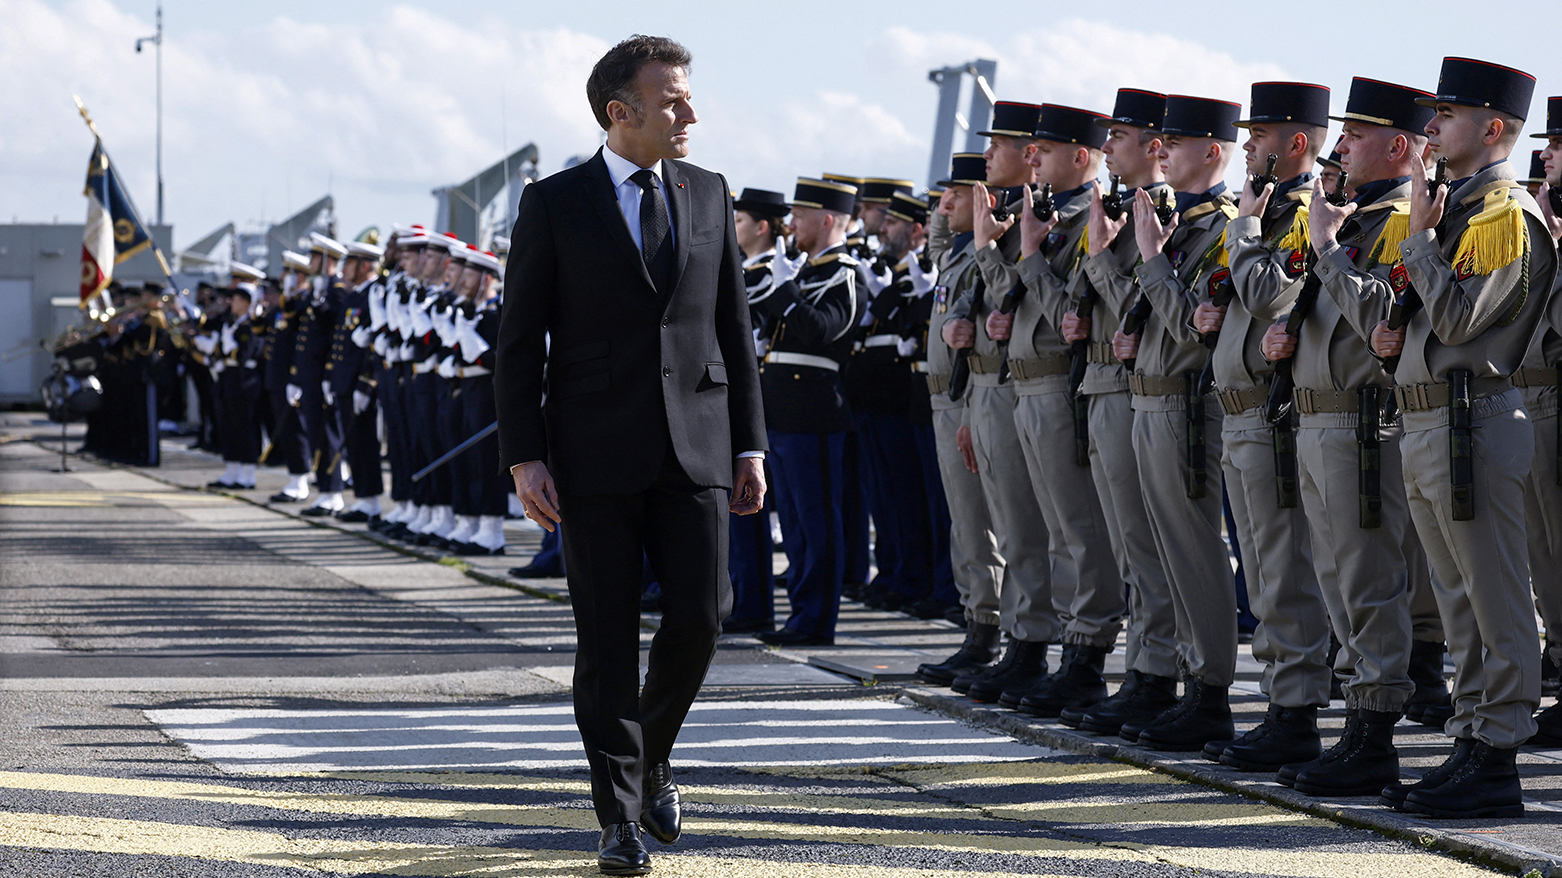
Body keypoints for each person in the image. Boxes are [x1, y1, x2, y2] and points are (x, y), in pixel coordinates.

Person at [494, 35, 766, 875]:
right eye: (673, 99)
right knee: (606, 637)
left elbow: (734, 329)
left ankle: (651, 756)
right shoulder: (555, 202)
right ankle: (616, 818)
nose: (691, 113)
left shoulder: (709, 193)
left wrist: (752, 443)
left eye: (688, 97)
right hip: (591, 451)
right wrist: (523, 456)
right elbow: (517, 341)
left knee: (700, 617)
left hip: (697, 447)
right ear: (622, 112)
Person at [1367, 57, 1556, 818]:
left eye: (1448, 115)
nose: (1433, 127)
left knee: (1495, 595)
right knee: (1457, 598)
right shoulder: (1450, 211)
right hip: (1427, 417)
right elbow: (1418, 324)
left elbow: (1460, 324)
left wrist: (1416, 239)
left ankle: (1498, 752)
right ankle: (1472, 738)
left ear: (1495, 128)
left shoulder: (1503, 216)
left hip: (1471, 418)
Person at [1257, 75, 1443, 796]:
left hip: (1363, 421)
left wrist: (1329, 248)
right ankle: (1356, 729)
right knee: (1338, 581)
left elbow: (1383, 328)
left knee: (1368, 583)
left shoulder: (1398, 223)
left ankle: (1374, 734)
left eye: (1357, 135)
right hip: (1316, 412)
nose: (1341, 147)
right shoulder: (1357, 217)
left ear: (1399, 146)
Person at [1202, 81, 1331, 770]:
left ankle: (1296, 710)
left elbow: (1269, 291)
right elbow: (1227, 299)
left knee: (1283, 572)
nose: (1246, 144)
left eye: (1260, 135)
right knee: (1260, 571)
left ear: (1297, 143)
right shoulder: (1264, 209)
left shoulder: (1303, 214)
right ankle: (1283, 704)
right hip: (1239, 414)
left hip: (1273, 416)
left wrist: (1245, 232)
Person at [987, 102, 1127, 717]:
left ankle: (1085, 652)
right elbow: (1002, 305)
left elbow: (1067, 317)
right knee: (1036, 532)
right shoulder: (1043, 217)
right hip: (1025, 384)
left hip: (1061, 383)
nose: (1030, 158)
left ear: (1079, 156)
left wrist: (1030, 252)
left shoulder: (1088, 218)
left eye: (1044, 150)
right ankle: (1031, 643)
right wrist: (1001, 248)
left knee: (1078, 533)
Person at [1112, 94, 1241, 751]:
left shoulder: (1221, 229)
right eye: (1157, 143)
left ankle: (1210, 691)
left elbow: (1196, 335)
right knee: (1160, 554)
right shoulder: (1174, 221)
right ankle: (1178, 679)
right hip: (1148, 398)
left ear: (1213, 152)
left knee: (1195, 554)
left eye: (1175, 143)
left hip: (1188, 404)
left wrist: (1154, 258)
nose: (1159, 153)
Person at [1059, 89, 1181, 736]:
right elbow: (1075, 319)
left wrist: (1104, 256)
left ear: (1153, 144)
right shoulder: (1113, 208)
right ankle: (1141, 669)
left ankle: (1154, 672)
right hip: (1101, 385)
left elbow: (1133, 303)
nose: (1108, 147)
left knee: (1146, 545)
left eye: (1120, 136)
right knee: (1127, 546)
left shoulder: (1159, 213)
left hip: (1132, 387)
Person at [947, 100, 1067, 705]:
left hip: (1036, 386)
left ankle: (1039, 645)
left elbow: (1026, 306)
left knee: (1045, 532)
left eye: (1001, 146)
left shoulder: (1040, 220)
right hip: (997, 387)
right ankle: (1018, 641)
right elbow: (989, 313)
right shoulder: (1003, 219)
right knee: (1013, 529)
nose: (988, 156)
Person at [750, 177, 869, 647]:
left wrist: (783, 294)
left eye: (799, 216)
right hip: (781, 409)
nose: (790, 224)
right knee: (796, 524)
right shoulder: (803, 270)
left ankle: (816, 620)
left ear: (825, 220)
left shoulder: (844, 273)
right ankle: (800, 614)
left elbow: (825, 330)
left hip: (813, 410)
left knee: (818, 522)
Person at [914, 156, 1009, 684]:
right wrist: (954, 203)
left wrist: (979, 203)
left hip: (968, 394)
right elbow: (935, 238)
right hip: (943, 399)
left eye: (954, 194)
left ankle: (987, 631)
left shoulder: (980, 252)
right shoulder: (956, 252)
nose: (941, 205)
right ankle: (976, 623)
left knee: (981, 525)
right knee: (964, 525)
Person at [724, 186, 791, 634]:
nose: (733, 227)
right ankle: (742, 599)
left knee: (751, 506)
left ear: (762, 227)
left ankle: (754, 605)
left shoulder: (767, 274)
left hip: (763, 400)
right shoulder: (746, 271)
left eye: (740, 220)